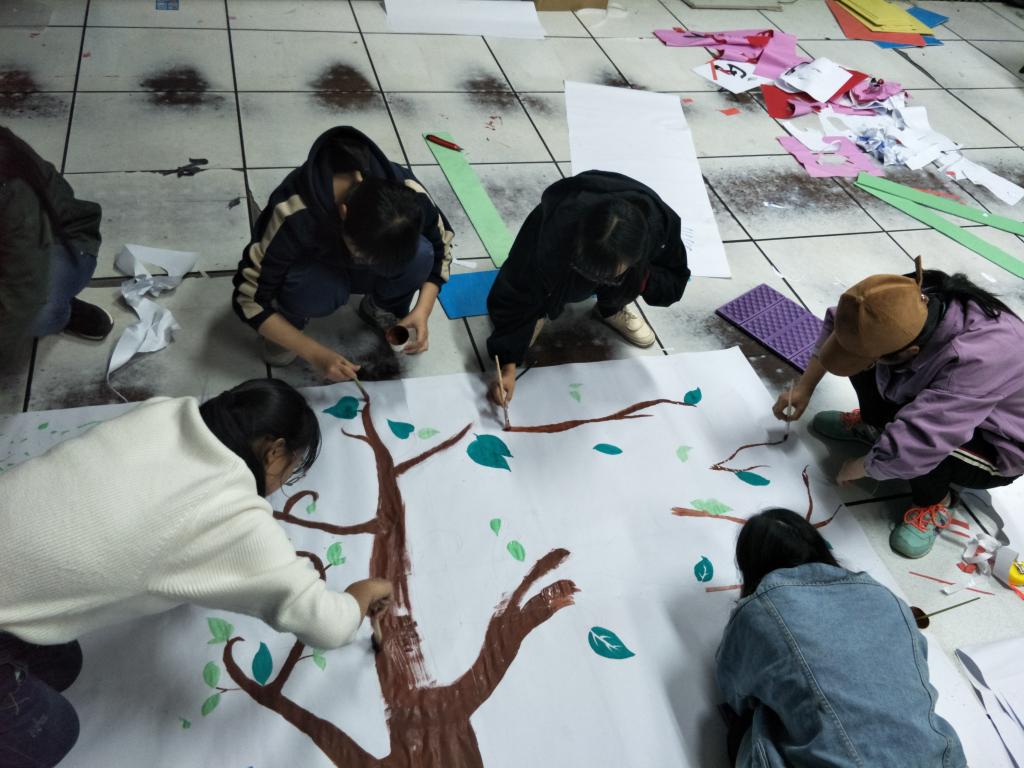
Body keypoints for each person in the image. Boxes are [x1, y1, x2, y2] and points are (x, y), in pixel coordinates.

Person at [0, 378, 392, 768]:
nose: (286, 480)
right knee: (53, 732)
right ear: (274, 452)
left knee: (61, 664)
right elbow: (327, 626)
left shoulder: (163, 411)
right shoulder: (232, 516)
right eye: (292, 468)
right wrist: (364, 590)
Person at [773, 260, 1024, 558]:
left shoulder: (979, 357)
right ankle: (876, 428)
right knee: (863, 358)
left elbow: (924, 438)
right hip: (948, 398)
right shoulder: (900, 299)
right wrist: (805, 387)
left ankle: (934, 501)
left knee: (920, 444)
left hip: (999, 443)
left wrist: (863, 466)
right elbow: (841, 327)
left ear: (910, 352)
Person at [716, 508, 966, 768]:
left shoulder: (759, 610)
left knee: (758, 717)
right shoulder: (884, 596)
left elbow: (735, 691)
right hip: (944, 759)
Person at [232, 126, 454, 380]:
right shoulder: (293, 213)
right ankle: (290, 321)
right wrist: (314, 353)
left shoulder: (407, 193)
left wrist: (423, 309)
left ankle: (379, 307)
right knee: (317, 290)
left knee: (422, 253)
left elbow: (443, 247)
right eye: (363, 256)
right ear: (344, 213)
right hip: (317, 268)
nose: (368, 265)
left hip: (359, 251)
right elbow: (247, 299)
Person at [485, 171, 690, 405]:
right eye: (594, 274)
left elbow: (675, 279)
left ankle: (611, 307)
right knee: (538, 290)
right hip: (567, 261)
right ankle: (540, 311)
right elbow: (515, 288)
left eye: (610, 275)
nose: (600, 280)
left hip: (631, 265)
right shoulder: (552, 231)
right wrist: (508, 364)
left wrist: (640, 279)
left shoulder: (659, 227)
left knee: (631, 278)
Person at [0, 127, 114, 359]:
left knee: (37, 312)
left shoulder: (12, 189)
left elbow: (22, 289)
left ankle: (61, 308)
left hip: (59, 241)